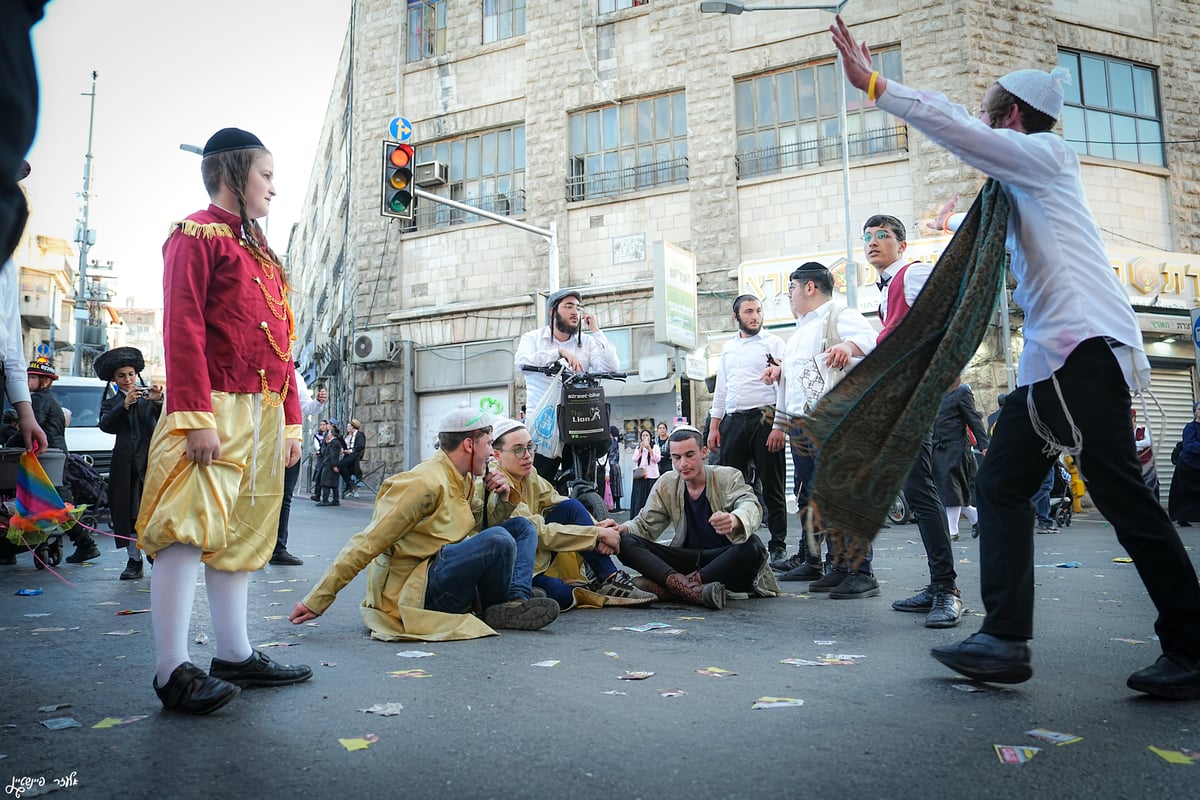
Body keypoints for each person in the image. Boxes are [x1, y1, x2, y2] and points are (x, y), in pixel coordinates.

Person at [832, 17, 1200, 698]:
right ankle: (1004, 639)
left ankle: (1190, 642)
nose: (980, 121)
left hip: (1079, 352)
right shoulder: (1027, 183)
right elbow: (988, 253)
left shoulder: (1047, 158)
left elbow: (961, 131)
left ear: (1016, 117)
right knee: (1002, 486)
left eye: (990, 112)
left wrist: (878, 85)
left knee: (1125, 500)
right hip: (1052, 369)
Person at [135, 128, 312, 715]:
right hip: (211, 405)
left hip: (261, 412)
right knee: (188, 529)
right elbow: (181, 328)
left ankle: (234, 653)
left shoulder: (262, 253)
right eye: (266, 175)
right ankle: (170, 669)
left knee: (239, 533)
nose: (273, 188)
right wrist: (194, 417)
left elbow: (282, 348)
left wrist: (289, 421)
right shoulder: (194, 234)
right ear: (234, 172)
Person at [288, 406, 560, 639]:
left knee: (521, 527)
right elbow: (367, 543)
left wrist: (502, 499)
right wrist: (318, 598)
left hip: (445, 569)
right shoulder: (423, 482)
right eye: (489, 443)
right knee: (499, 539)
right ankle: (501, 605)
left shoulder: (465, 478)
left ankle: (514, 601)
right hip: (419, 587)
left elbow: (476, 526)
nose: (491, 453)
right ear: (469, 444)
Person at [861, 212, 964, 628]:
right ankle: (941, 584)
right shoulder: (887, 291)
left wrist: (949, 366)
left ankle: (947, 589)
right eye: (867, 237)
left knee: (923, 494)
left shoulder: (914, 274)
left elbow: (950, 311)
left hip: (919, 396)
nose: (872, 242)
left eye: (882, 235)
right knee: (918, 493)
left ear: (902, 246)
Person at [765, 262, 878, 592]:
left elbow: (872, 340)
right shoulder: (799, 330)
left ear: (809, 287)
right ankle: (839, 565)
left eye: (792, 289)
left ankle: (862, 572)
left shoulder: (839, 314)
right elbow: (790, 384)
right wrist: (782, 424)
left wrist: (848, 347)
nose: (790, 296)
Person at [481, 417, 656, 608]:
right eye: (518, 450)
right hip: (513, 566)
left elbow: (558, 501)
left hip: (537, 556)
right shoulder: (497, 481)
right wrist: (596, 535)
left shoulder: (528, 474)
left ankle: (609, 577)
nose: (528, 455)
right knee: (561, 594)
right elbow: (539, 533)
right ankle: (525, 593)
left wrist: (600, 529)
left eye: (530, 447)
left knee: (570, 506)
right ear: (496, 455)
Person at [598, 426, 780, 610]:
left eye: (689, 455)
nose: (682, 464)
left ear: (703, 452)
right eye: (676, 458)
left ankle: (677, 588)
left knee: (753, 545)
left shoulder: (726, 476)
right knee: (626, 541)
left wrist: (734, 519)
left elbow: (750, 505)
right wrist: (621, 529)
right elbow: (645, 524)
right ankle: (689, 589)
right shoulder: (667, 482)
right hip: (686, 559)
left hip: (722, 560)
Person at [707, 295, 788, 562]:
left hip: (766, 418)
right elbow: (721, 390)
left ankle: (778, 545)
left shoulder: (774, 343)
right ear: (736, 317)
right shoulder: (729, 348)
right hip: (734, 421)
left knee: (773, 485)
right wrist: (715, 426)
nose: (755, 316)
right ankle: (737, 543)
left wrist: (779, 426)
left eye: (758, 311)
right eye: (749, 311)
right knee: (733, 485)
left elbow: (785, 387)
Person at [514, 288, 619, 484]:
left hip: (578, 420)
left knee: (587, 479)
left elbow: (611, 367)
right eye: (568, 306)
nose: (575, 312)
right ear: (553, 311)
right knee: (539, 483)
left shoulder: (586, 342)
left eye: (578, 308)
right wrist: (558, 353)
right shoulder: (533, 338)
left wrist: (596, 331)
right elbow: (521, 362)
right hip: (544, 424)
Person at [25, 356, 102, 564]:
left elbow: (32, 428)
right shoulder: (50, 400)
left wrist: (10, 440)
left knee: (58, 505)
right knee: (60, 503)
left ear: (45, 381)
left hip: (50, 458)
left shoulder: (39, 400)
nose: (27, 380)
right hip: (57, 456)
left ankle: (85, 543)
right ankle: (84, 543)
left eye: (31, 377)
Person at [94, 347, 163, 580]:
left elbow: (167, 421)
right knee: (127, 513)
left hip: (150, 463)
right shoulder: (112, 402)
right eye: (121, 375)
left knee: (151, 510)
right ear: (114, 379)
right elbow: (105, 425)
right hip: (124, 466)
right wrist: (123, 407)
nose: (127, 379)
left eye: (131, 374)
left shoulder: (148, 399)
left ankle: (155, 557)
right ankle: (134, 560)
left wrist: (159, 401)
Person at [270, 373, 326, 566]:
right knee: (255, 495)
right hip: (262, 440)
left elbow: (306, 406)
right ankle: (252, 546)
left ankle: (278, 548)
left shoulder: (294, 375)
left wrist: (318, 403)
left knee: (285, 498)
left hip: (289, 442)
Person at [932, 378, 989, 542]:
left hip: (956, 446)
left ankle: (952, 531)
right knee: (946, 488)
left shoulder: (962, 391)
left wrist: (984, 444)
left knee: (951, 486)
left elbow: (973, 418)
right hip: (937, 447)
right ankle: (977, 518)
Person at [1167, 401, 1200, 528]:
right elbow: (1188, 445)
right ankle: (1182, 517)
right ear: (1195, 412)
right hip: (1188, 466)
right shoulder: (1190, 427)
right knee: (1184, 494)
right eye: (1199, 409)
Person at [627, 429, 660, 518]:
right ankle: (637, 516)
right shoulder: (638, 448)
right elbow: (634, 459)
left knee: (650, 498)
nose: (645, 437)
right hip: (640, 476)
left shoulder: (655, 447)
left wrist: (649, 449)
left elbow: (657, 459)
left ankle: (650, 517)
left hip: (651, 476)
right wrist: (641, 449)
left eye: (647, 435)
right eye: (643, 435)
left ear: (650, 437)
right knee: (638, 498)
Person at [314, 419, 345, 507]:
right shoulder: (334, 442)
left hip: (329, 464)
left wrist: (334, 465)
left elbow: (333, 455)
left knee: (325, 483)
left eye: (330, 433)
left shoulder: (333, 443)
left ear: (332, 434)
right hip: (331, 464)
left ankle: (325, 500)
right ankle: (335, 500)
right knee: (334, 483)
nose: (328, 434)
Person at [1131, 409, 1159, 501]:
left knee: (1151, 491)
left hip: (1147, 466)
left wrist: (1133, 444)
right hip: (1134, 467)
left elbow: (1148, 442)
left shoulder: (1144, 430)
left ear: (1134, 418)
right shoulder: (1125, 433)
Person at [339, 418, 366, 497]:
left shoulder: (360, 434)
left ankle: (350, 484)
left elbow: (361, 445)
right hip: (349, 455)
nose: (348, 427)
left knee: (341, 465)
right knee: (344, 468)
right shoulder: (350, 435)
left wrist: (350, 451)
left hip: (354, 455)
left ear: (353, 427)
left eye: (350, 426)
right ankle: (350, 485)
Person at [309, 418, 328, 501]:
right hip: (321, 457)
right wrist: (319, 450)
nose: (322, 426)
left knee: (326, 476)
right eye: (321, 425)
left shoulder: (329, 434)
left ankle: (326, 496)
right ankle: (317, 494)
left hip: (327, 457)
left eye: (324, 425)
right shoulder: (317, 435)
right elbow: (317, 445)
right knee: (319, 476)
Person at [607, 425, 624, 512]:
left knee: (612, 486)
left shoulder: (610, 441)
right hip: (616, 466)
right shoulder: (615, 441)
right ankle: (618, 506)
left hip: (611, 466)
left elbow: (609, 454)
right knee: (617, 486)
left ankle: (613, 506)